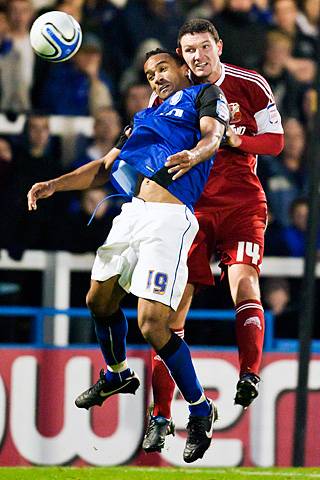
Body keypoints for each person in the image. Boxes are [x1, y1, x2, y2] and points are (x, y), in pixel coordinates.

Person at [27, 49, 229, 463]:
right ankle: (117, 375)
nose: (155, 77)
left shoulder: (203, 95)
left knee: (153, 324)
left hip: (169, 220)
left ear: (181, 66)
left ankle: (199, 409)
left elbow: (213, 135)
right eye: (149, 73)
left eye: (162, 68)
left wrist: (196, 154)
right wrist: (54, 184)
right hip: (132, 213)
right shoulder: (142, 119)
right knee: (97, 301)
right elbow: (104, 167)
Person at [142, 18, 284, 453]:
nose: (197, 56)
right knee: (170, 313)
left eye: (204, 47)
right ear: (181, 56)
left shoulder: (250, 85)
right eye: (188, 50)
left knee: (244, 281)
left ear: (218, 46)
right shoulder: (170, 93)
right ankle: (162, 415)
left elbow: (276, 142)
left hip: (242, 201)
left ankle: (249, 374)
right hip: (190, 209)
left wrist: (236, 142)